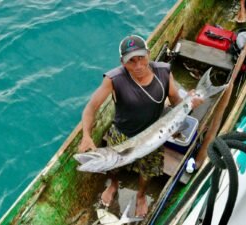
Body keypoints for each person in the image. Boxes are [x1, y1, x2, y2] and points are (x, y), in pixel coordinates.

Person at [78, 35, 203, 217]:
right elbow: (91, 108)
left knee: (149, 169)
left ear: (148, 54)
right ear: (122, 62)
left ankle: (141, 195)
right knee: (113, 165)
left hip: (153, 134)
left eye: (141, 58)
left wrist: (189, 102)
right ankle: (113, 185)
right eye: (131, 61)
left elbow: (176, 100)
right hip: (121, 133)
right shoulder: (113, 79)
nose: (138, 66)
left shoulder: (164, 73)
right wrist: (86, 136)